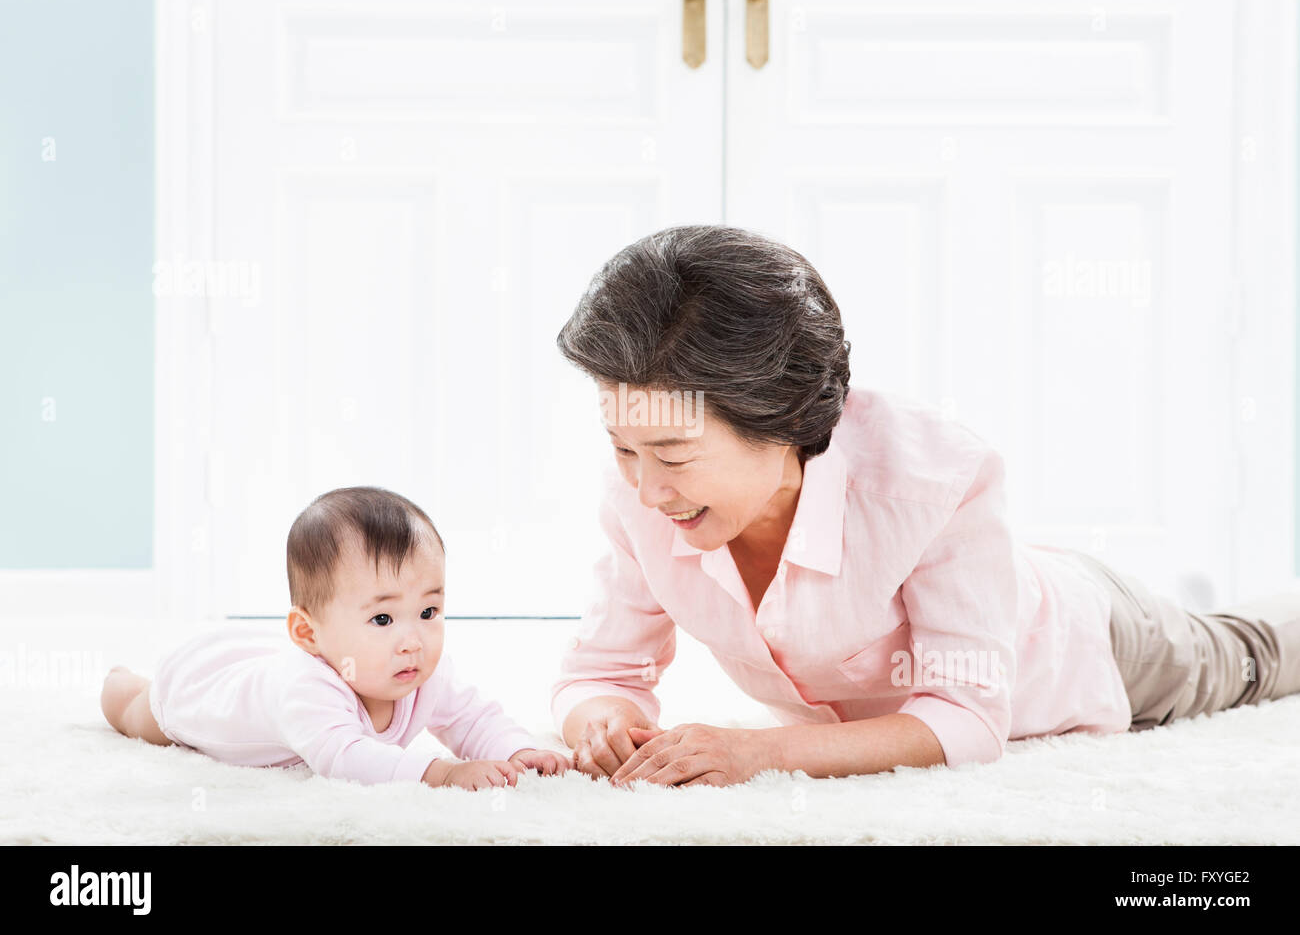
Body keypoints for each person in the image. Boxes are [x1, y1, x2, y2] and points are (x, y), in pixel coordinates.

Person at [551, 224, 1300, 788]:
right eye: (622, 449)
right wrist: (604, 723)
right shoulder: (641, 492)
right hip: (1001, 576)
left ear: (780, 418)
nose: (646, 490)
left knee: (1248, 655)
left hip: (1087, 639)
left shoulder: (935, 478)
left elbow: (966, 720)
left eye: (675, 457)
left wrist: (756, 752)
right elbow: (601, 671)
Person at [101, 486, 571, 789]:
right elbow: (345, 759)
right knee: (137, 710)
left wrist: (517, 750)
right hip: (197, 689)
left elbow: (471, 717)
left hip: (269, 667)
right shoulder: (306, 688)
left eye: (428, 611)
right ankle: (121, 686)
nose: (412, 640)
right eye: (383, 619)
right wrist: (443, 773)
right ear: (309, 633)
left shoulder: (419, 668)